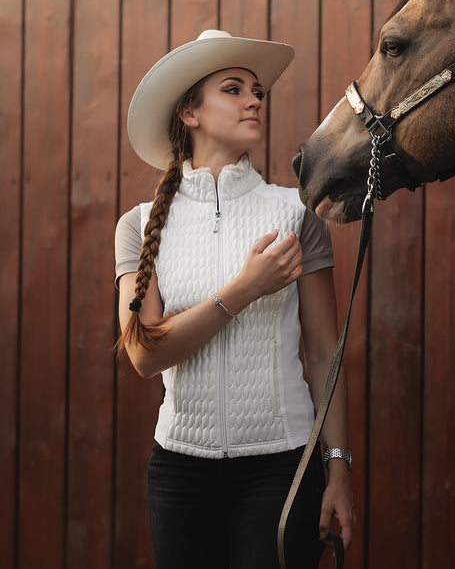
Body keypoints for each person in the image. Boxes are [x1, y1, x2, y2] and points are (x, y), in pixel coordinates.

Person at [114, 29, 355, 568]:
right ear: (189, 113)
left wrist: (337, 466)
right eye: (233, 89)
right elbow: (144, 354)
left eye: (257, 91)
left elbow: (323, 354)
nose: (253, 99)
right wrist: (244, 290)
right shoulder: (138, 227)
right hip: (179, 473)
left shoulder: (296, 215)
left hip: (282, 467)